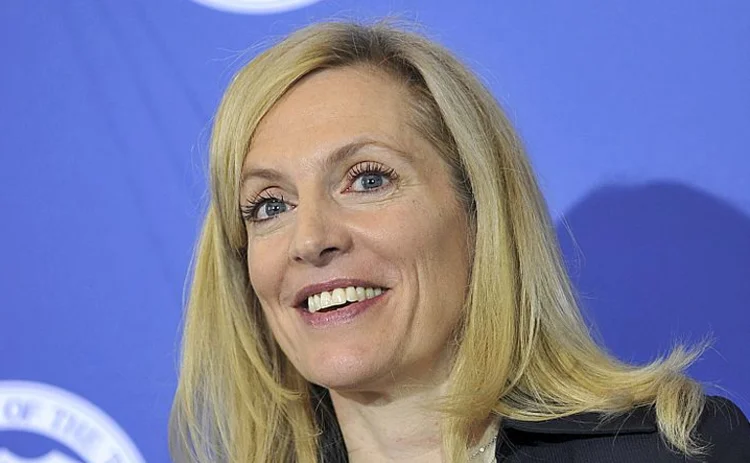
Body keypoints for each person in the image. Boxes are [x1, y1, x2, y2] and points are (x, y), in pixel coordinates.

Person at [169, 21, 750, 462]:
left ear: (477, 212)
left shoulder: (682, 451)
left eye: (368, 180)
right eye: (270, 205)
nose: (311, 238)